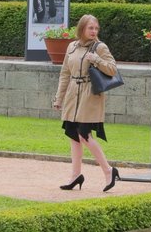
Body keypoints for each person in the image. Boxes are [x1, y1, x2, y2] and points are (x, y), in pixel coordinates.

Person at [53, 14, 121, 192]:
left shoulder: (100, 47)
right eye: (90, 28)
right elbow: (65, 74)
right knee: (73, 134)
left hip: (90, 95)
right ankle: (75, 176)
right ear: (82, 28)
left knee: (84, 134)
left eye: (96, 28)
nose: (94, 31)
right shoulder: (72, 47)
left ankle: (108, 170)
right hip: (72, 94)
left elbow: (113, 69)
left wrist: (96, 60)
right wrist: (59, 98)